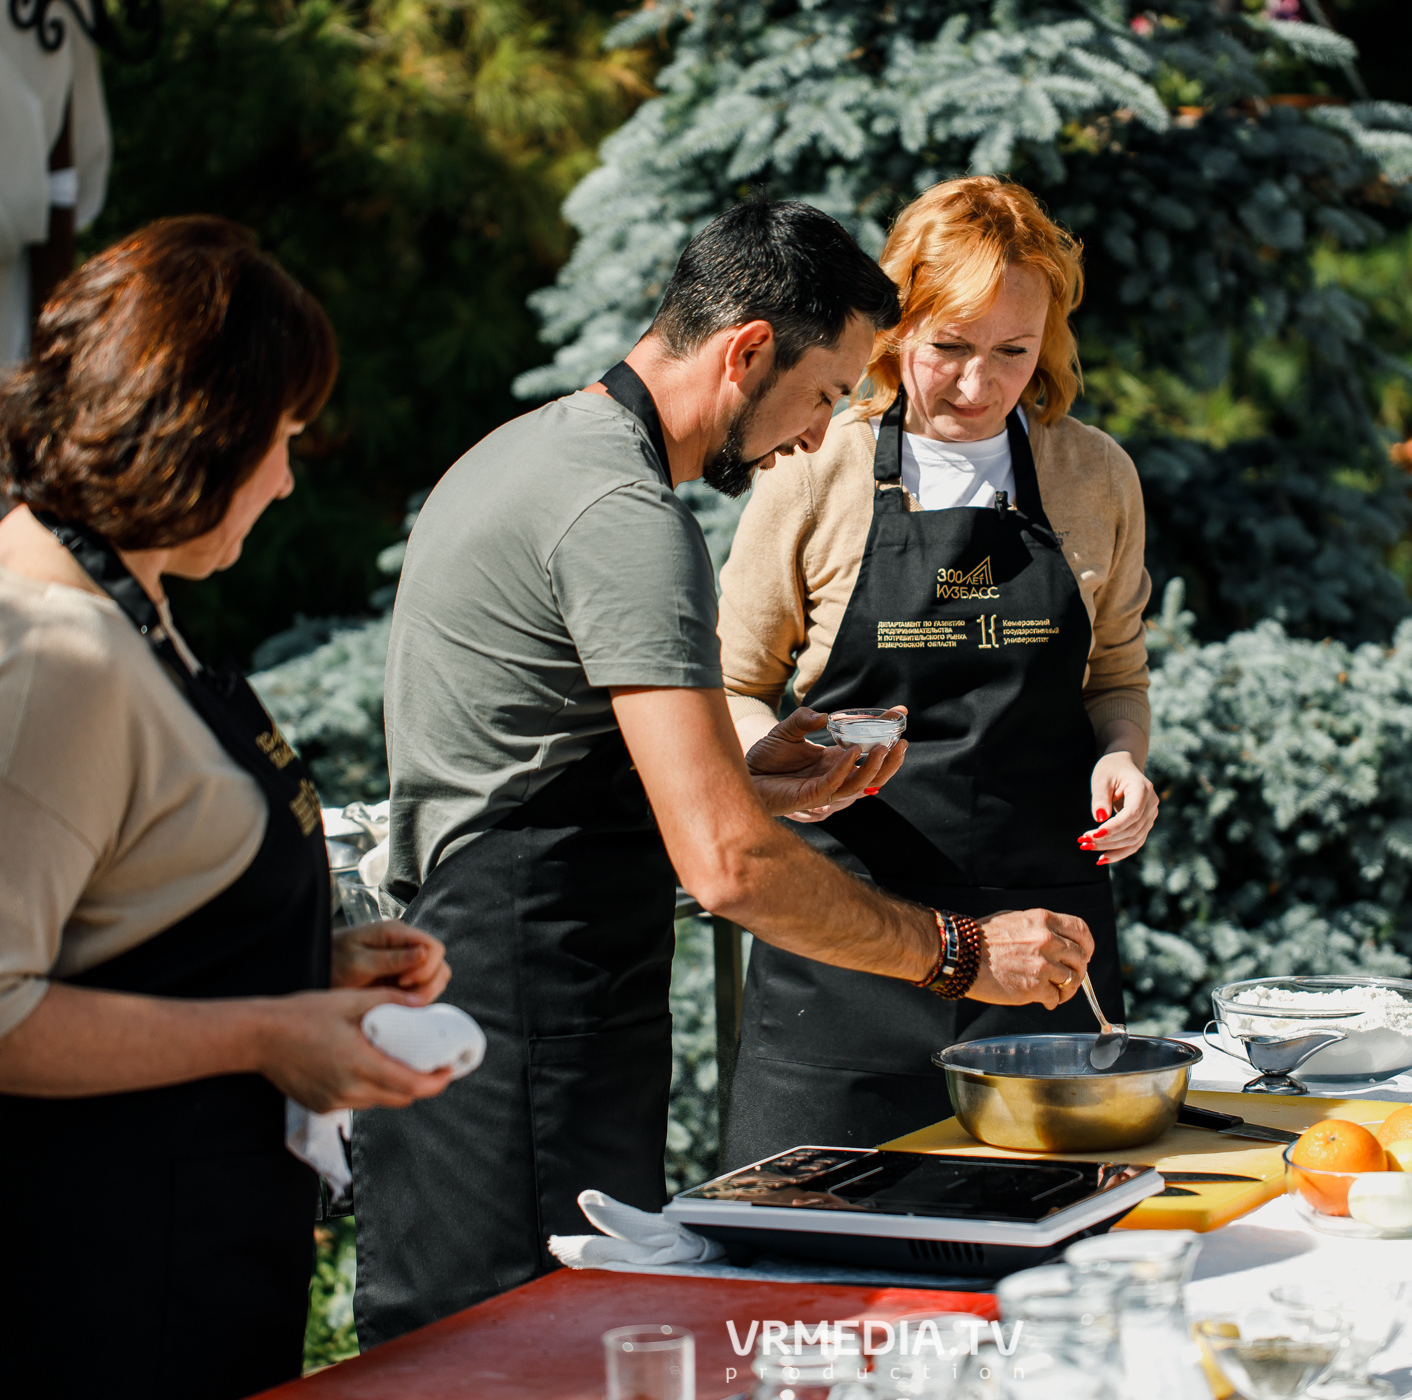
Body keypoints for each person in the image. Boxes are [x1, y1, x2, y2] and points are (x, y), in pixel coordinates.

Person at [358, 200, 1097, 1344]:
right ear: (748, 350)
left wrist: (755, 775)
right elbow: (730, 868)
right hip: (529, 1011)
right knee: (526, 1354)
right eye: (823, 393)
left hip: (496, 986)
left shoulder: (534, 450)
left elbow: (548, 759)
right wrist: (961, 951)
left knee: (459, 1350)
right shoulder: (626, 514)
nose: (817, 434)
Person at [0, 216, 456, 1399]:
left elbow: (110, 912)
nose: (287, 476)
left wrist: (301, 963)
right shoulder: (54, 654)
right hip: (86, 1301)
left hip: (169, 1258)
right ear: (200, 427)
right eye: (282, 436)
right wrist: (267, 1031)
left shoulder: (105, 589)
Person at [714, 177, 1159, 1164]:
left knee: (1049, 1233)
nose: (978, 384)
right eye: (949, 346)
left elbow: (1116, 677)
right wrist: (779, 769)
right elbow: (733, 683)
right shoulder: (816, 468)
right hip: (848, 950)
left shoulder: (1094, 476)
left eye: (1014, 351)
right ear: (895, 326)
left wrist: (1122, 758)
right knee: (817, 1238)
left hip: (1043, 943)